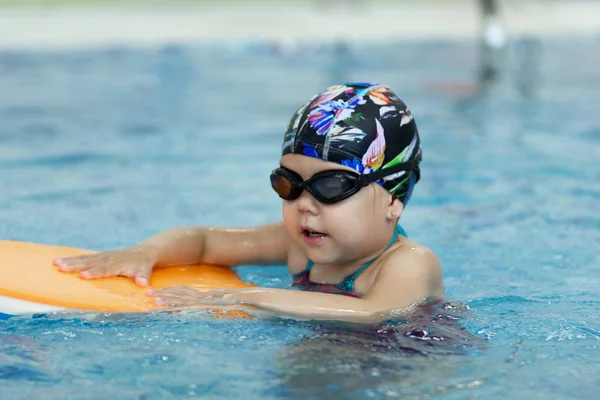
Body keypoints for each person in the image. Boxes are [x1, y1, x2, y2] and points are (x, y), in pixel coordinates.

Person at [53, 82, 443, 323]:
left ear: (394, 198)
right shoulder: (298, 245)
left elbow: (371, 313)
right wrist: (145, 252)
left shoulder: (408, 263)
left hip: (402, 361)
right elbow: (206, 241)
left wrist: (238, 296)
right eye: (289, 184)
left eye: (331, 186)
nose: (305, 204)